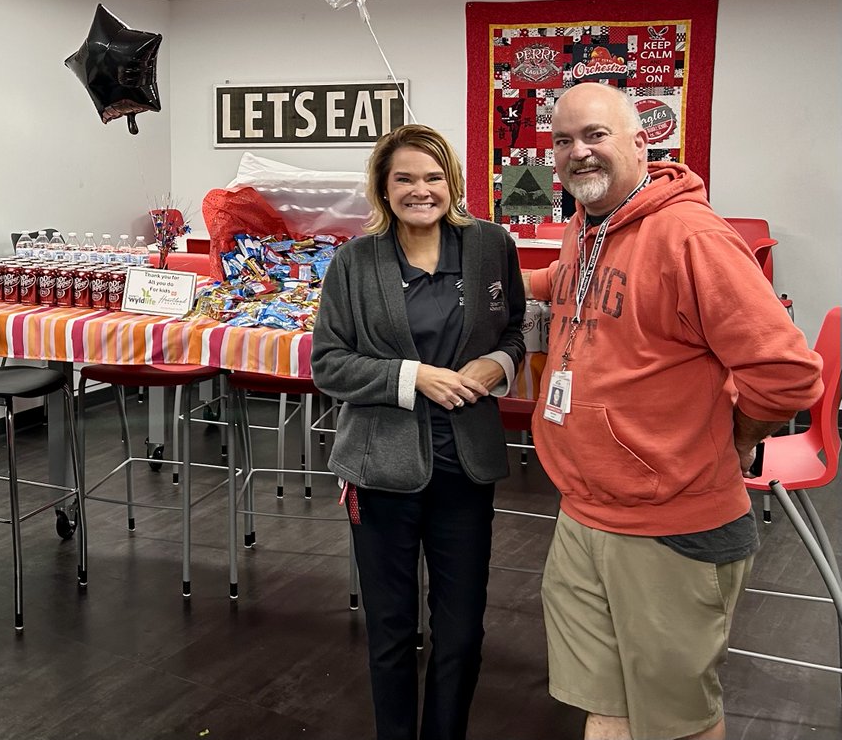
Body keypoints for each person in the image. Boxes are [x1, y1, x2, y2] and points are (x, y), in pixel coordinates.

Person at [526, 83, 823, 740]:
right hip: (585, 511)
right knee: (605, 703)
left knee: (677, 724)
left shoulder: (690, 236)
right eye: (564, 140)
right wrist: (489, 268)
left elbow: (788, 375)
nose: (579, 153)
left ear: (639, 142)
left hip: (669, 525)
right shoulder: (589, 225)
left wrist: (737, 438)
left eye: (596, 136)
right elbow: (576, 283)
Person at [312, 124, 526, 740]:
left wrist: (501, 364)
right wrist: (415, 377)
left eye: (432, 177)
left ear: (451, 182)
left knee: (460, 631)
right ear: (384, 186)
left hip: (467, 465)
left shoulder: (491, 246)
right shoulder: (355, 261)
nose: (420, 190)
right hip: (383, 468)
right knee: (391, 628)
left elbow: (514, 326)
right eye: (404, 178)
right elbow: (328, 363)